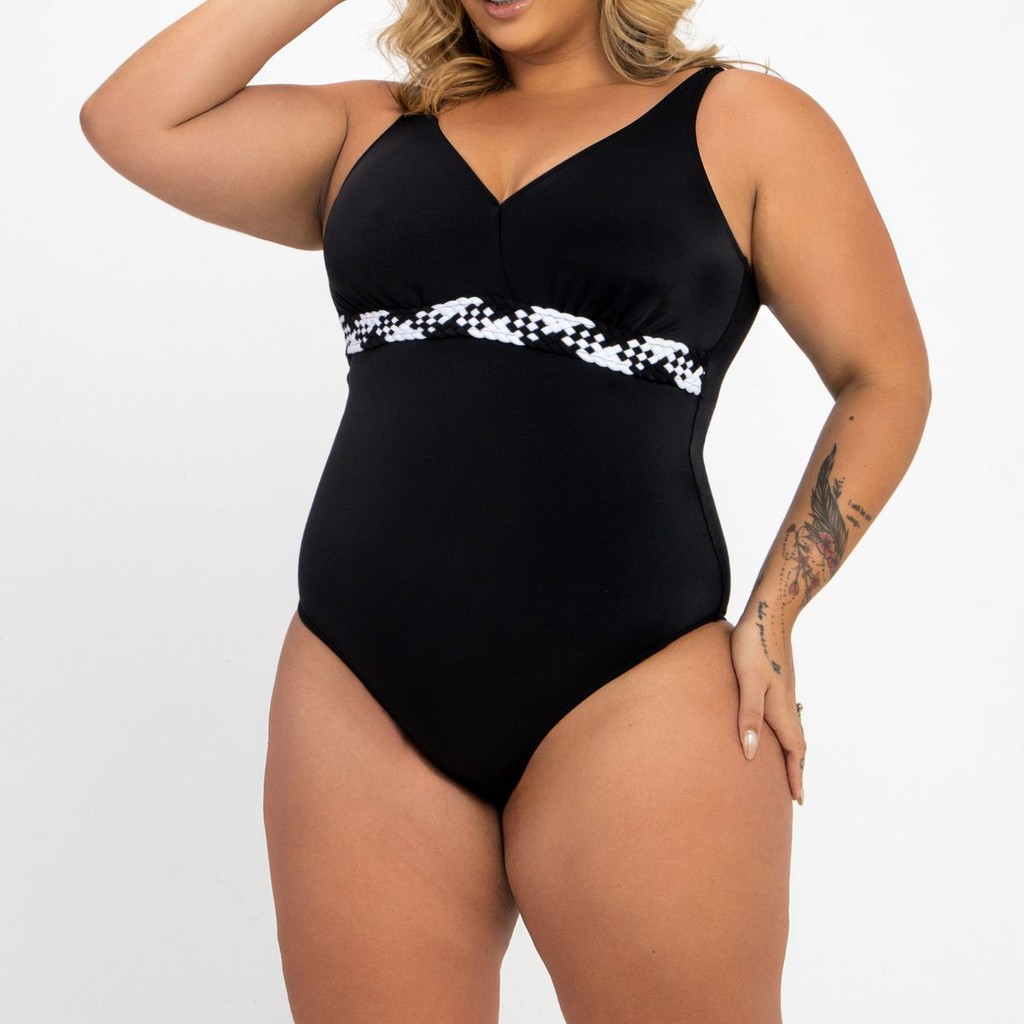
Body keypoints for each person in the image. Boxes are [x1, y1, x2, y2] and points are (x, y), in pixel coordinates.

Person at [80, 0, 931, 1020]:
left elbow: (884, 378)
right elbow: (131, 119)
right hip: (356, 690)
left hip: (637, 690)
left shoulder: (742, 121)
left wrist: (777, 610)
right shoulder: (369, 130)